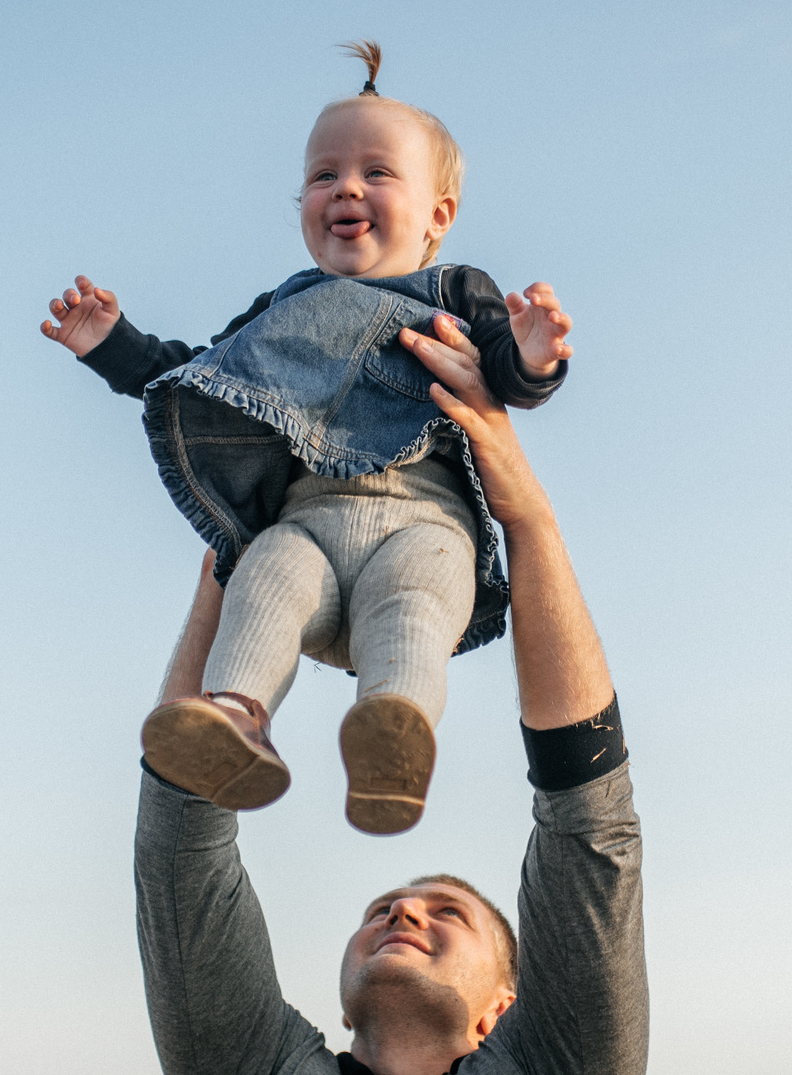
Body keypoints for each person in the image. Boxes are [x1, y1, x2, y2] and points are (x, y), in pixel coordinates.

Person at [134, 310, 644, 1075]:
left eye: (442, 909)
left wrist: (527, 521)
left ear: (505, 1003)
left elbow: (589, 829)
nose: (403, 906)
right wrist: (228, 557)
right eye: (384, 901)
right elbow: (179, 845)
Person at [41, 41, 575, 835]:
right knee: (266, 570)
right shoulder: (284, 308)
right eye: (323, 175)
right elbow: (203, 372)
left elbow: (504, 375)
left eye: (376, 172)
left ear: (438, 215)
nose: (345, 188)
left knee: (415, 602)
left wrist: (532, 352)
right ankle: (235, 716)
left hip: (423, 521)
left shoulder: (456, 291)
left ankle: (393, 731)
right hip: (309, 524)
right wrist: (113, 344)